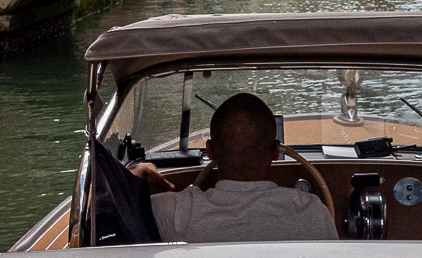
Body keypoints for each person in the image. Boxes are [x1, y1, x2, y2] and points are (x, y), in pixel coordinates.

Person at [131, 93, 338, 243]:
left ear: (210, 151)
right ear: (276, 151)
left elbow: (113, 202)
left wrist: (132, 174)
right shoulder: (313, 213)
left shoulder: (171, 212)